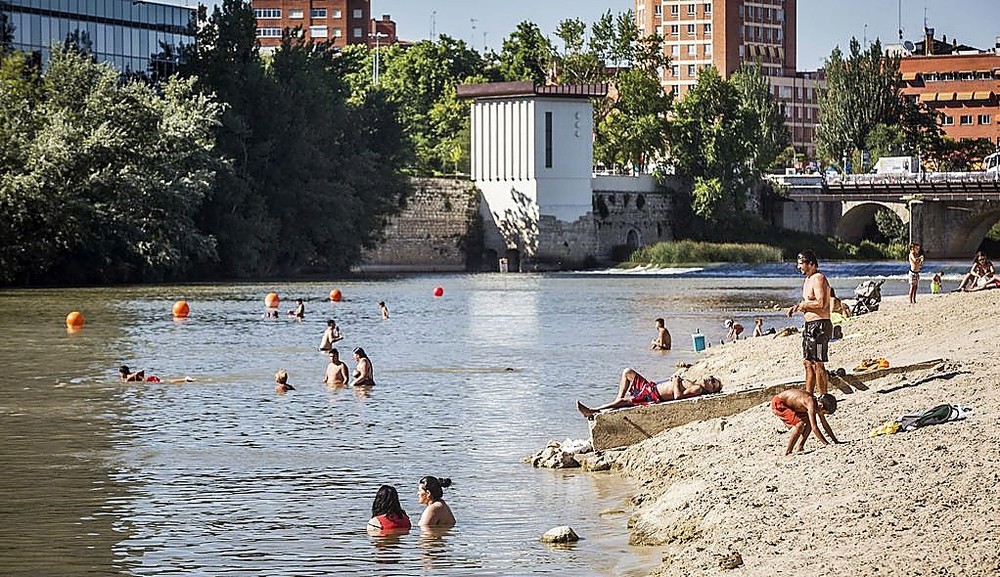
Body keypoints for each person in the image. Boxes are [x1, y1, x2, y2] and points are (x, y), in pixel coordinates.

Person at [575, 368, 723, 419]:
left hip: (653, 396)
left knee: (625, 403)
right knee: (627, 372)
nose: (710, 379)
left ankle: (593, 410)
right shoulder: (696, 384)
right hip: (652, 388)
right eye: (711, 377)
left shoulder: (698, 389)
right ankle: (617, 398)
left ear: (711, 390)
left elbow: (678, 397)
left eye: (713, 382)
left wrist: (676, 381)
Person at [788, 250, 833, 395]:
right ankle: (808, 396)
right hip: (809, 326)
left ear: (811, 264)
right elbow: (808, 302)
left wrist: (803, 306)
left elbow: (821, 304)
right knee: (808, 363)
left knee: (818, 363)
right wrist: (796, 307)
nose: (798, 267)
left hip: (820, 326)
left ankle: (823, 397)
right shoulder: (808, 279)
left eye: (801, 264)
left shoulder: (818, 278)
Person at [771, 388, 840, 456]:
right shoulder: (811, 403)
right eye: (824, 413)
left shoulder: (818, 405)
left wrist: (835, 441)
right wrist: (826, 444)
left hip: (792, 405)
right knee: (800, 425)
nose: (822, 415)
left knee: (808, 422)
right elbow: (814, 428)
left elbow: (824, 424)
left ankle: (800, 446)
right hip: (779, 403)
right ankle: (788, 452)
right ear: (821, 406)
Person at [118, 365, 193, 383]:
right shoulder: (129, 375)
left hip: (150, 379)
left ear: (123, 372)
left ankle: (185, 379)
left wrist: (143, 380)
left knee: (169, 382)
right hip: (150, 378)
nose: (119, 375)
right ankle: (185, 379)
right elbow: (142, 371)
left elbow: (139, 372)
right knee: (168, 381)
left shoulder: (128, 378)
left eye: (120, 373)